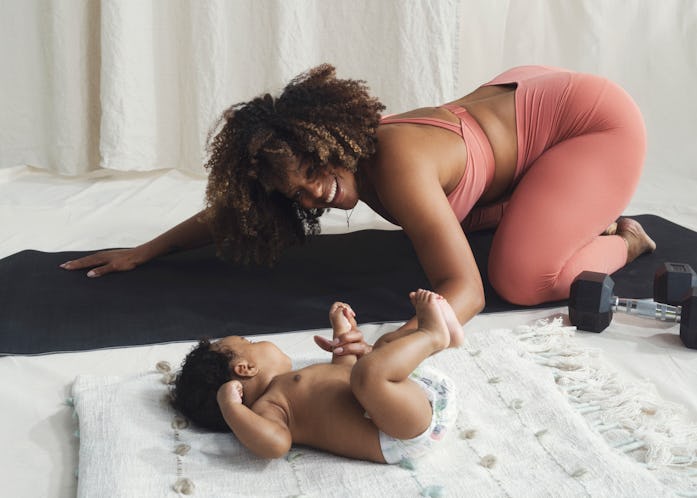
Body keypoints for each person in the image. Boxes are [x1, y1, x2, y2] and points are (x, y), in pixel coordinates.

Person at [60, 64, 655, 343]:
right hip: (514, 125)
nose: (315, 193)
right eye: (296, 191)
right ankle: (561, 212)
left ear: (332, 140)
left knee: (520, 277)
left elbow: (464, 290)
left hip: (586, 123)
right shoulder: (326, 173)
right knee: (469, 222)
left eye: (316, 172)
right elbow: (238, 215)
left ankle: (622, 238)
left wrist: (391, 348)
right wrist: (147, 250)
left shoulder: (395, 162)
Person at [171, 289, 461, 464]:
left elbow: (343, 372)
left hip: (401, 403)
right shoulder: (270, 407)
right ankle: (433, 336)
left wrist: (343, 334)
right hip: (397, 431)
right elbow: (275, 446)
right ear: (245, 369)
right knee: (369, 371)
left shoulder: (293, 383)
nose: (256, 342)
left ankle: (447, 338)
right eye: (249, 343)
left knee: (380, 348)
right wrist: (230, 407)